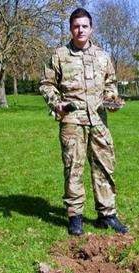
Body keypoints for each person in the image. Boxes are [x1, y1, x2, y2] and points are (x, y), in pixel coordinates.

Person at [39, 8, 129, 236]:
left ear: (91, 28)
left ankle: (107, 215)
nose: (80, 30)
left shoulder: (102, 56)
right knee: (73, 168)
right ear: (71, 28)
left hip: (99, 121)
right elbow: (46, 84)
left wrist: (112, 98)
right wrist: (55, 102)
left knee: (104, 166)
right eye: (76, 26)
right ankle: (75, 217)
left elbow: (111, 84)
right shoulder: (59, 55)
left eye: (85, 26)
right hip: (72, 121)